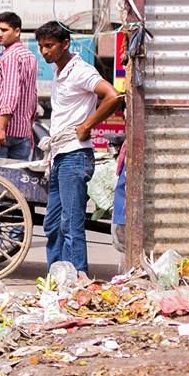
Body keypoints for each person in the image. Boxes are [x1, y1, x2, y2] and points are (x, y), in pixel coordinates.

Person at [37, 22, 120, 274]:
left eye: (49, 46)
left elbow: (113, 96)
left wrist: (87, 125)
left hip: (75, 155)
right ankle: (58, 277)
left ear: (65, 44)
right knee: (52, 224)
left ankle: (78, 281)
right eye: (41, 46)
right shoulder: (59, 72)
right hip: (60, 155)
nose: (44, 52)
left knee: (70, 225)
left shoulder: (80, 70)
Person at [0, 12, 37, 160]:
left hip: (1, 131)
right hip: (22, 133)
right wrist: (29, 128)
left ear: (17, 31)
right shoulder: (30, 56)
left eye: (4, 30)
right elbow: (33, 95)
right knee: (15, 182)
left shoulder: (10, 57)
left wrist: (0, 128)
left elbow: (10, 94)